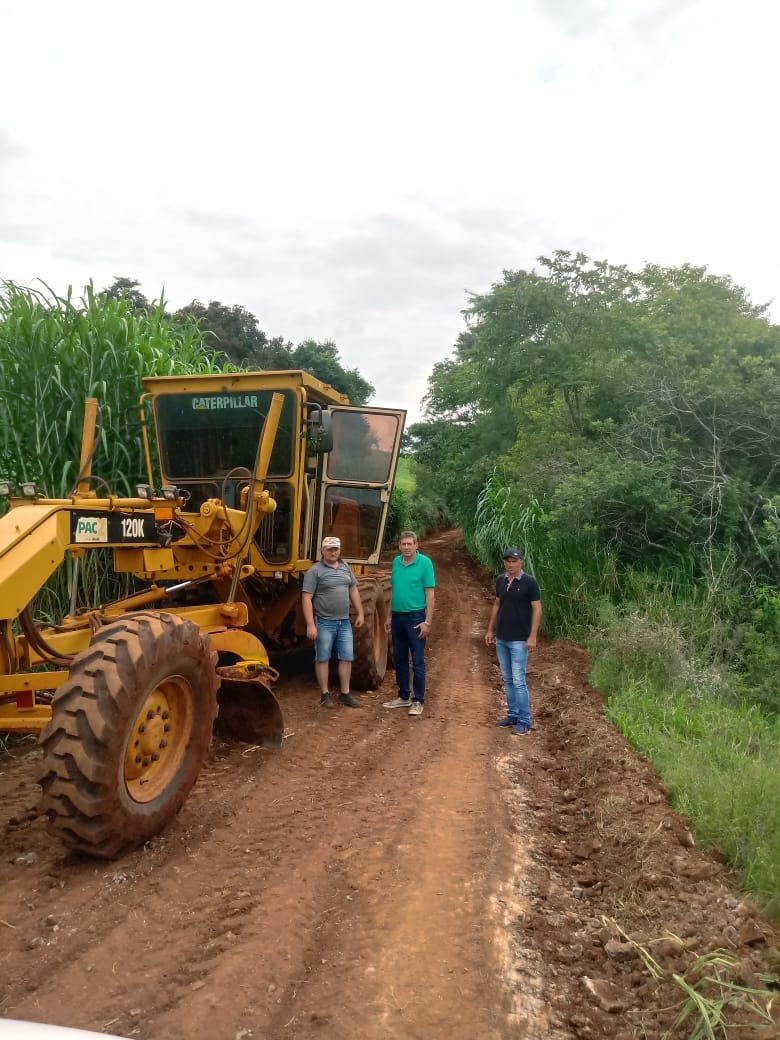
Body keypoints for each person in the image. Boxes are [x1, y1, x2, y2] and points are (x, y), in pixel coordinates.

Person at [301, 535, 365, 708]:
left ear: (339, 550)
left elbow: (353, 590)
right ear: (323, 551)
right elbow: (307, 598)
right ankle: (325, 695)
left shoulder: (345, 567)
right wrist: (310, 624)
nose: (333, 552)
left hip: (344, 622)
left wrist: (360, 612)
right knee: (322, 658)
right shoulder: (314, 571)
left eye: (335, 548)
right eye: (329, 549)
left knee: (346, 657)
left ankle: (345, 694)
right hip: (324, 622)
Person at [484, 548, 542, 735]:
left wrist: (532, 636)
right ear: (504, 563)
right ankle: (513, 714)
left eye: (514, 561)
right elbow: (497, 604)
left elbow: (537, 609)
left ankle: (524, 721)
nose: (511, 564)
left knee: (518, 681)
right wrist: (490, 630)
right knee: (508, 679)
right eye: (508, 561)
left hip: (519, 640)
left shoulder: (529, 583)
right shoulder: (501, 580)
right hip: (502, 638)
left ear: (521, 562)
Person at [382, 531, 435, 716]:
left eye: (409, 544)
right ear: (399, 546)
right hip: (397, 617)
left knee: (417, 660)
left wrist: (427, 622)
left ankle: (418, 700)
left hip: (416, 617)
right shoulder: (396, 562)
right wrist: (388, 616)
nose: (406, 547)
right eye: (403, 544)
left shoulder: (425, 563)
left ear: (416, 545)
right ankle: (403, 696)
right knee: (400, 658)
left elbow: (430, 595)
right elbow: (394, 591)